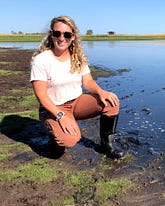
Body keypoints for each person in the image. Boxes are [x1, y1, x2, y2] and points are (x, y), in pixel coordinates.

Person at [30, 15, 125, 159]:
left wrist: (101, 92)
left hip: (76, 102)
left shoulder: (77, 57)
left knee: (111, 102)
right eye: (57, 33)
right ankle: (54, 138)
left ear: (73, 37)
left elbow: (88, 81)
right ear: (51, 35)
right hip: (53, 108)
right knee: (69, 140)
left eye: (67, 34)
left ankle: (107, 145)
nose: (62, 38)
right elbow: (41, 96)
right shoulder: (41, 60)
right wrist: (60, 116)